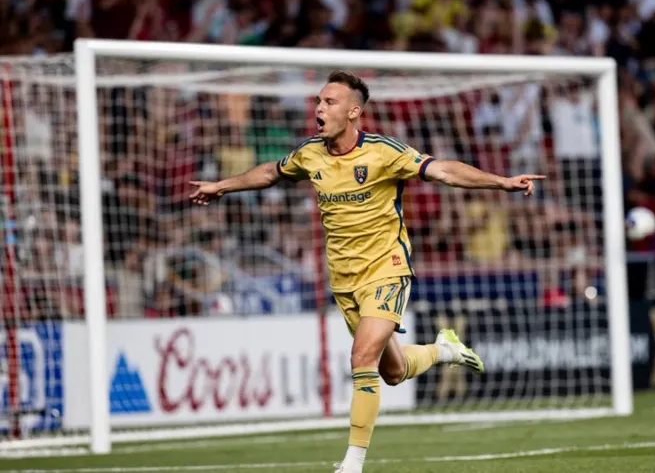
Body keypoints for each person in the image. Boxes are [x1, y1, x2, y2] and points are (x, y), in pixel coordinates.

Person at [189, 71, 545, 473]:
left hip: (386, 268)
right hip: (344, 279)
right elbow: (270, 172)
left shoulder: (382, 152)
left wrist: (501, 183)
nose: (319, 108)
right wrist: (222, 185)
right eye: (319, 101)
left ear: (354, 111)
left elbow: (442, 170)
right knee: (391, 372)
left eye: (330, 102)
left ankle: (352, 464)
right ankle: (445, 349)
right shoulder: (310, 154)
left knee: (361, 356)